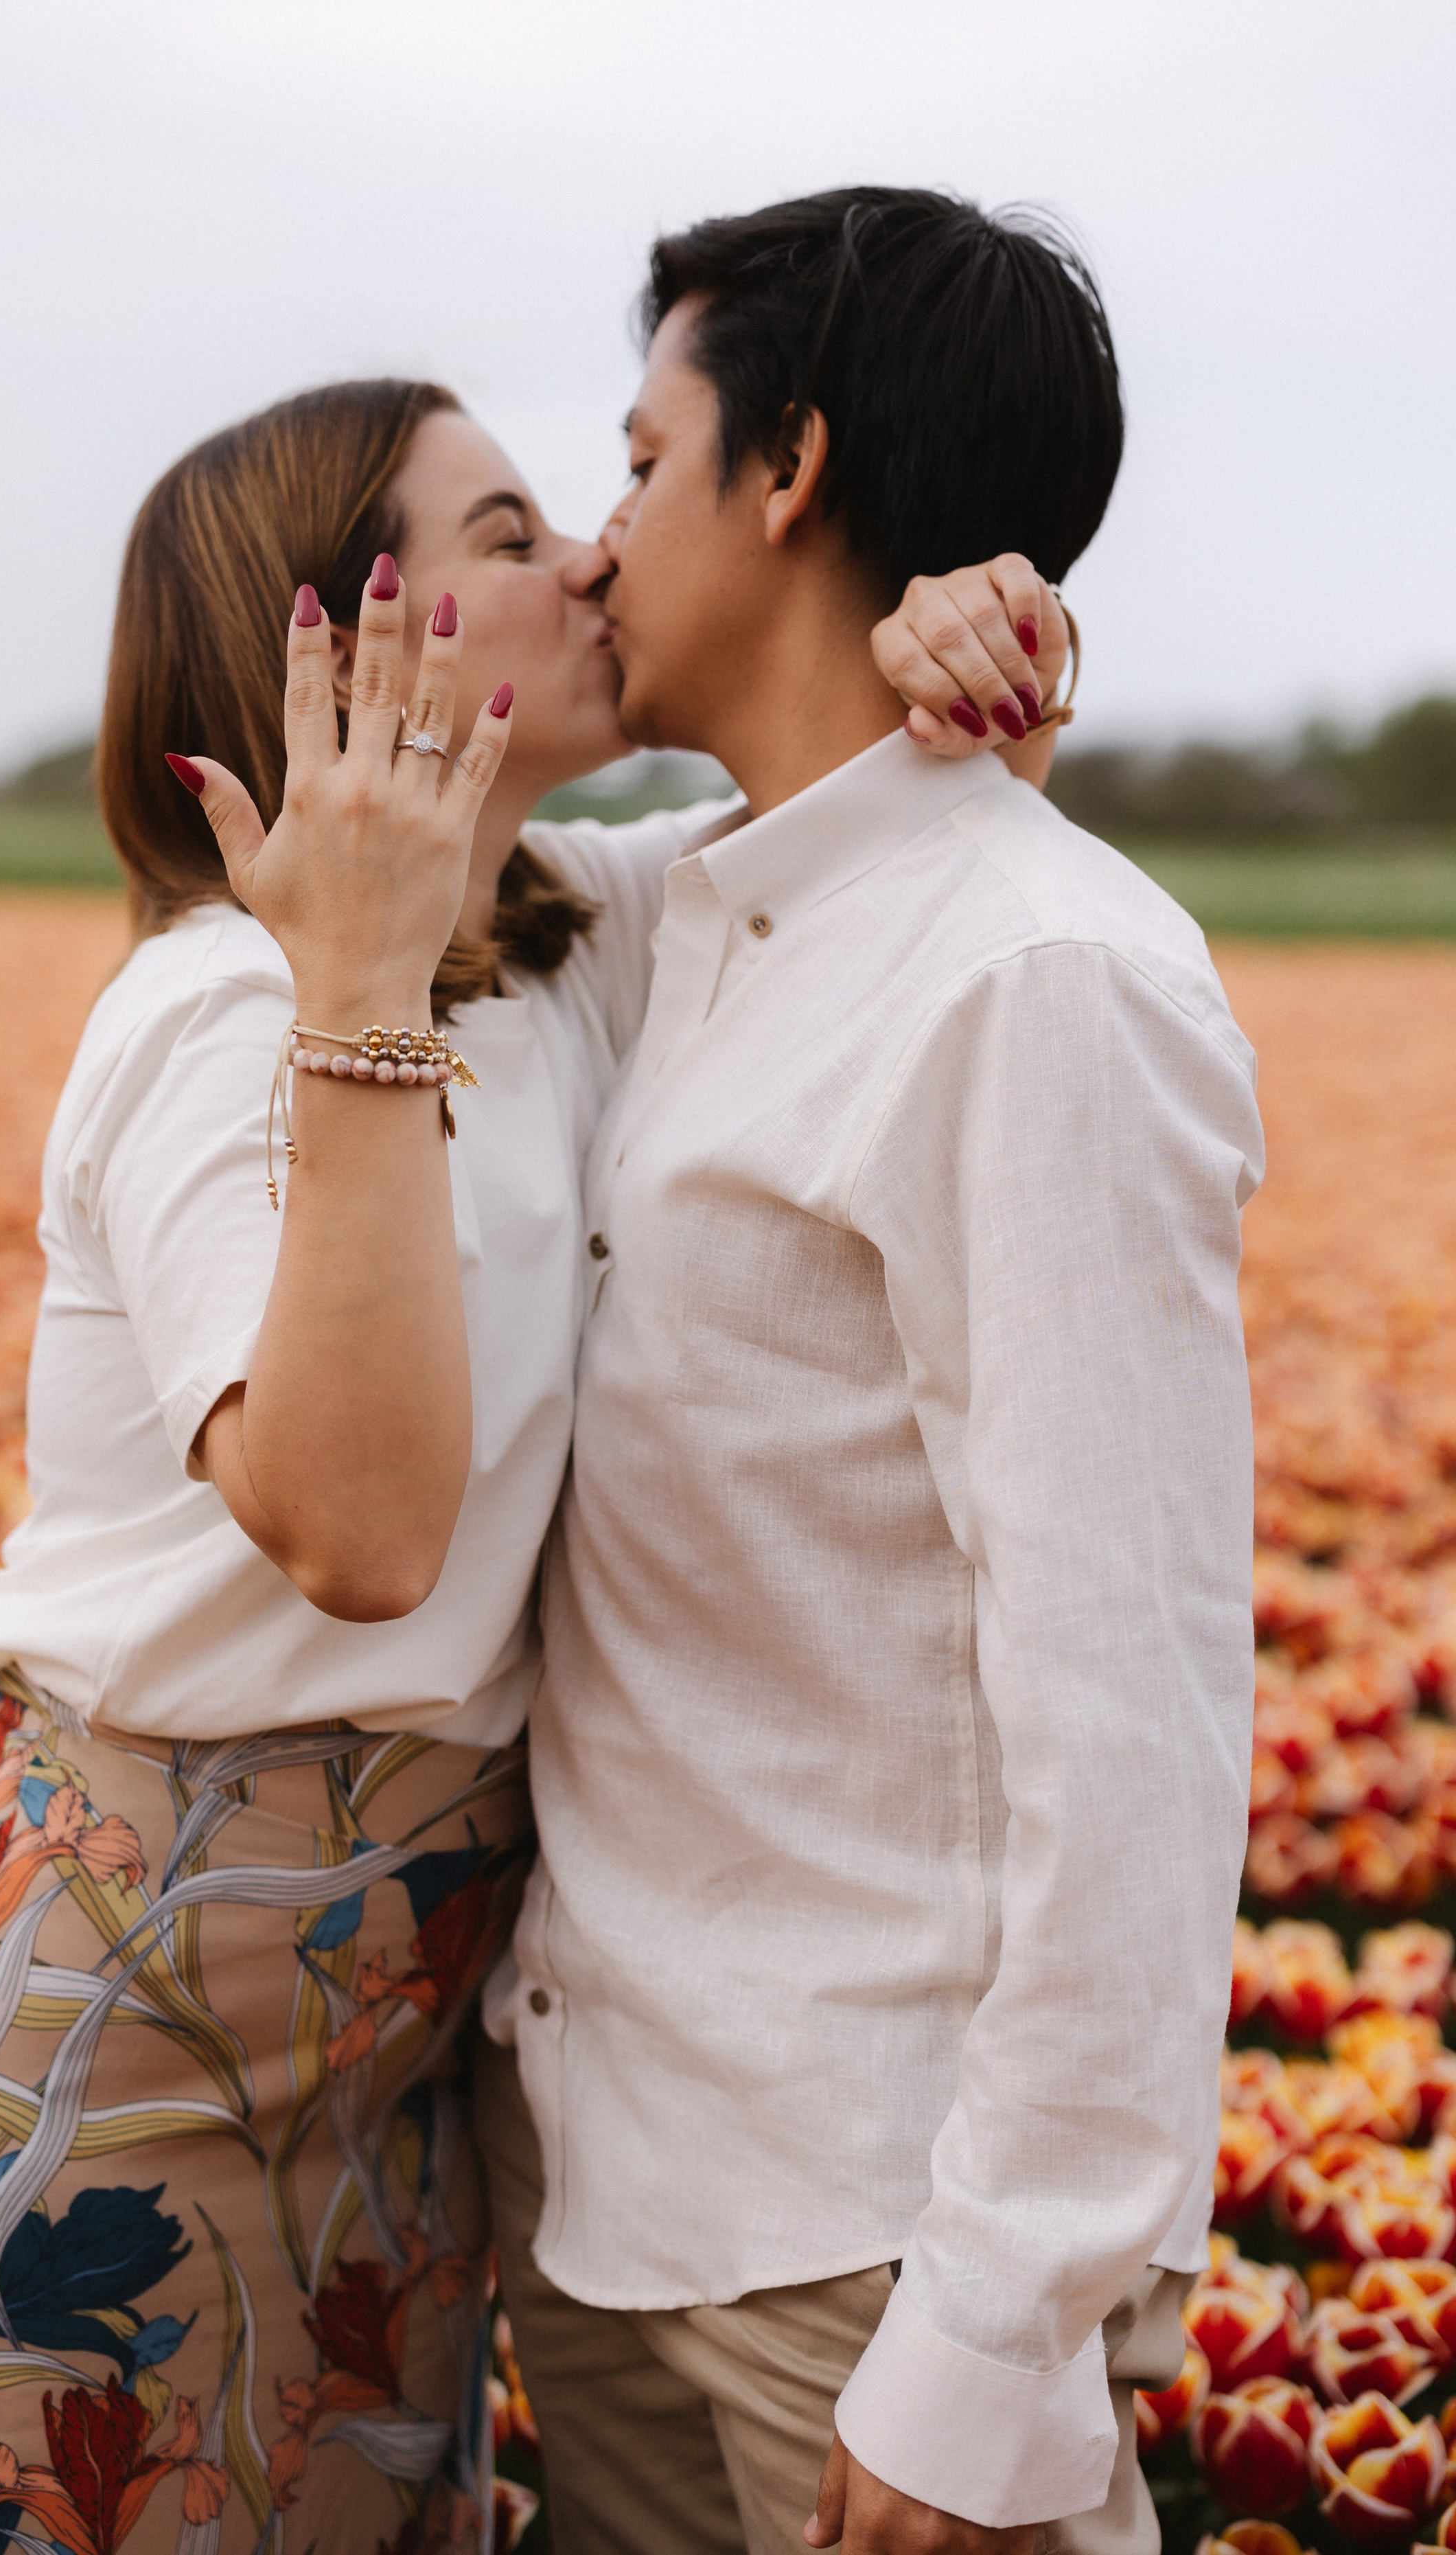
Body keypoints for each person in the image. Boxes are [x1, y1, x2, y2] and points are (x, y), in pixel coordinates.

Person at [0, 367, 1064, 2554]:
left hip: (366, 2114)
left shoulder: (572, 937)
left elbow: (864, 847)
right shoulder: (214, 1018)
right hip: (50, 2096)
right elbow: (357, 1523)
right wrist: (354, 977)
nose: (593, 555)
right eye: (515, 532)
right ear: (342, 644)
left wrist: (951, 641)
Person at [475, 188, 1264, 2555]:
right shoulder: (688, 924)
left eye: (635, 461)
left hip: (866, 2258)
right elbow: (435, 870)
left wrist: (1000, 2331)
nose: (600, 546)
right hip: (611, 2202)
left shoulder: (1033, 980)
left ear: (791, 463)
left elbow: (1128, 1694)